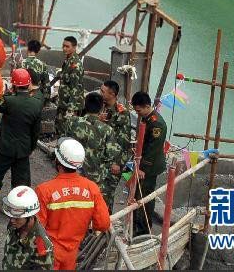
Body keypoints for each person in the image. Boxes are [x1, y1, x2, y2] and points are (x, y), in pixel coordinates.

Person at [0, 68, 43, 220]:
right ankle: (19, 211)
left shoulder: (8, 100)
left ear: (14, 84)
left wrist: (7, 92)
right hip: (23, 149)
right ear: (29, 84)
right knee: (21, 180)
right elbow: (35, 131)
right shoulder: (36, 104)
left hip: (5, 147)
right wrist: (31, 147)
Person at [37, 138, 111, 271]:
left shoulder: (44, 190)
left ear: (57, 161)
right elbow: (103, 223)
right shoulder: (92, 188)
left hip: (48, 253)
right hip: (72, 253)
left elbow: (37, 228)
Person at [130, 91, 167, 236]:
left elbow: (153, 149)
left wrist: (142, 168)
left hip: (149, 168)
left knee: (145, 197)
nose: (138, 114)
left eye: (139, 110)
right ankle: (137, 223)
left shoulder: (156, 123)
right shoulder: (148, 118)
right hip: (143, 163)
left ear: (146, 106)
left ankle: (144, 228)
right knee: (137, 194)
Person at [68, 92, 118, 189]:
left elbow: (66, 141)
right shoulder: (107, 130)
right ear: (101, 107)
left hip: (73, 171)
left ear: (85, 105)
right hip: (95, 176)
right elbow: (110, 155)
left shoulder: (73, 121)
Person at [1, 186, 54, 270]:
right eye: (11, 216)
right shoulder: (15, 225)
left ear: (30, 216)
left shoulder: (41, 244)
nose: (12, 221)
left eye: (17, 218)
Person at [99, 80, 131, 208]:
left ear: (112, 94)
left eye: (103, 91)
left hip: (113, 160)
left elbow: (124, 141)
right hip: (101, 157)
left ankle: (105, 224)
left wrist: (117, 163)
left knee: (106, 194)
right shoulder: (101, 106)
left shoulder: (122, 113)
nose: (100, 93)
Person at [53, 36, 84, 138]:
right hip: (63, 102)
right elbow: (64, 76)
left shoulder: (75, 65)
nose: (64, 49)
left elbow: (75, 89)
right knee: (59, 127)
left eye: (67, 46)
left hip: (71, 105)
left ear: (74, 48)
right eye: (63, 46)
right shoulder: (68, 61)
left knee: (68, 132)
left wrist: (70, 110)